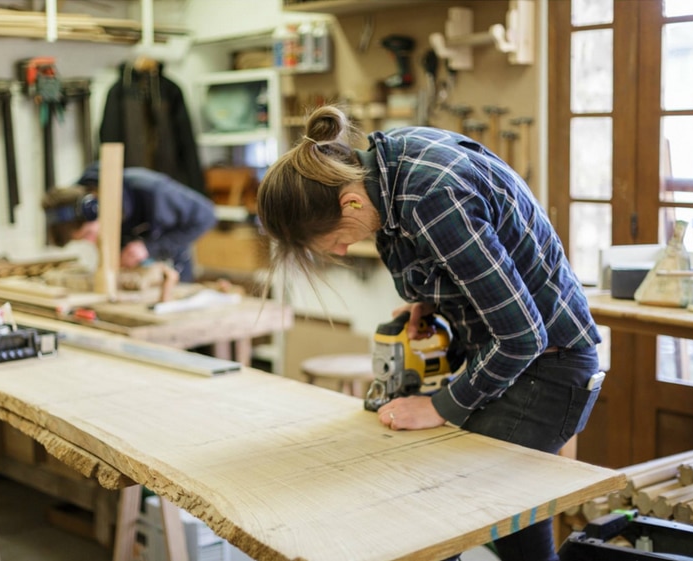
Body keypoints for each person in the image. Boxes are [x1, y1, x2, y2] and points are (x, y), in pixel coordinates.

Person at [255, 105, 603, 561]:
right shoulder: (387, 169)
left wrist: (439, 406)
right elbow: (482, 260)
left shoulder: (432, 195)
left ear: (349, 202)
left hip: (547, 371)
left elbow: (522, 336)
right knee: (513, 530)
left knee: (432, 505)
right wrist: (429, 298)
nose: (344, 247)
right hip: (516, 360)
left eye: (339, 238)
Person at [42, 162, 217, 283]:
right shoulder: (79, 197)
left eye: (88, 234)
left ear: (93, 207)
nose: (90, 241)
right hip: (136, 283)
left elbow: (207, 216)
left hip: (172, 275)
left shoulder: (153, 191)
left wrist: (149, 248)